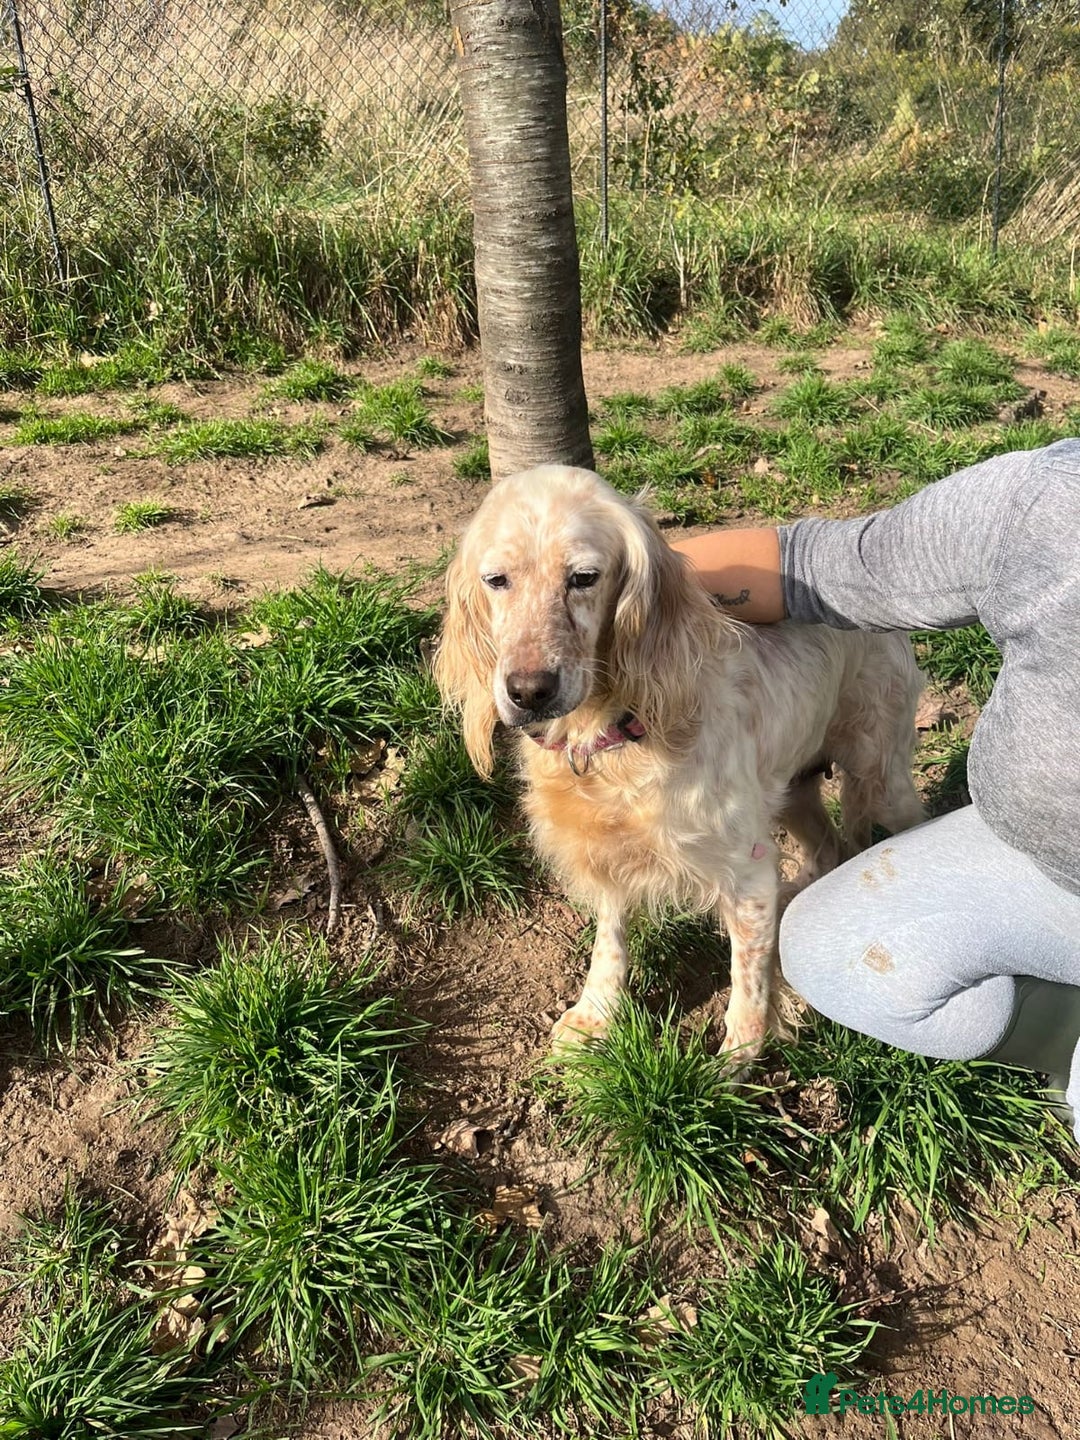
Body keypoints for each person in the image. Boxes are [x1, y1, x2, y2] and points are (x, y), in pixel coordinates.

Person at [670, 439, 1080, 1137]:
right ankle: (1065, 1034)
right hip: (1051, 873)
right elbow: (825, 565)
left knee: (882, 803)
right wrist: (611, 571)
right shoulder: (1053, 499)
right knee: (825, 949)